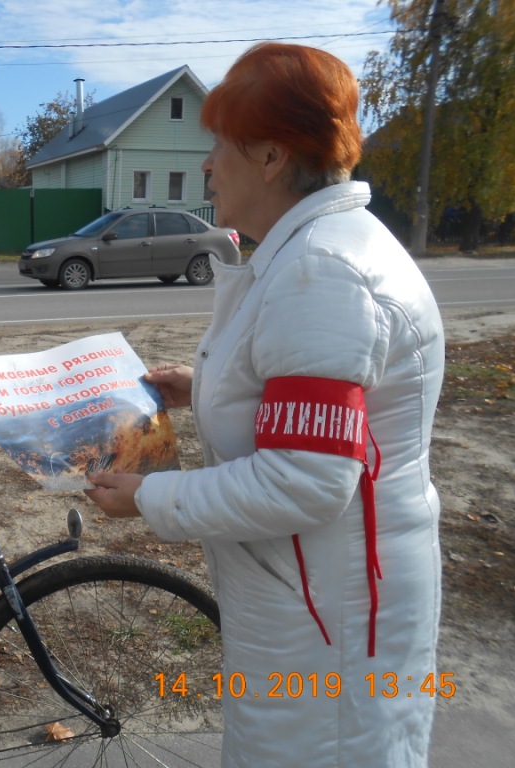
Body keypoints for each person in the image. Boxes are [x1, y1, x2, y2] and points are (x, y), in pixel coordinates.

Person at [85, 43, 444, 767]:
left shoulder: (324, 270)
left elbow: (306, 478)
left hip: (327, 618)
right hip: (309, 598)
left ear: (273, 154)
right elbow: (308, 397)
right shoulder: (314, 249)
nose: (209, 164)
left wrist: (151, 496)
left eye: (219, 144)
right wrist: (204, 387)